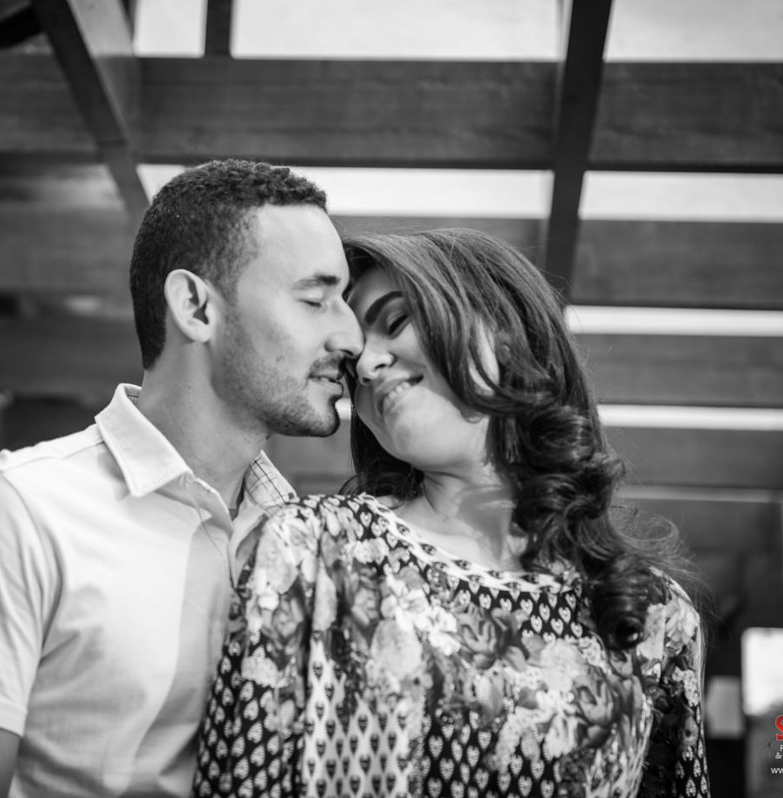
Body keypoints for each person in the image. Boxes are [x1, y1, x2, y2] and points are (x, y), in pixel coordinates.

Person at [0, 159, 363, 798]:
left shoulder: (311, 546)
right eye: (316, 300)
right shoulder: (12, 514)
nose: (351, 335)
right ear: (195, 307)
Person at [193, 229, 710, 797]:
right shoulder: (310, 549)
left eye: (395, 321)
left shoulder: (653, 613)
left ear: (504, 329)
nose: (366, 367)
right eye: (353, 360)